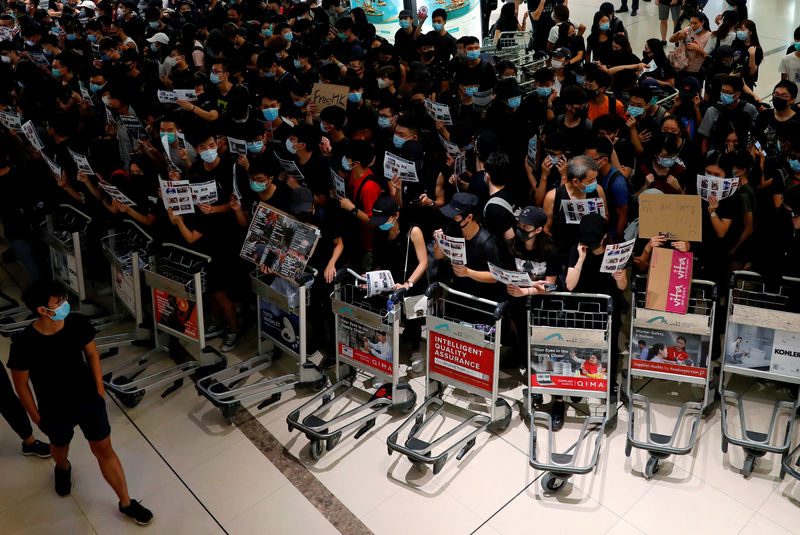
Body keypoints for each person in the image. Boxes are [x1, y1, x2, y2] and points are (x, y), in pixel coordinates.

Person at [8, 281, 153, 525]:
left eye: (64, 300)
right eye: (59, 302)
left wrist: (99, 390)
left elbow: (92, 354)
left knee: (104, 450)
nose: (65, 305)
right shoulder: (25, 343)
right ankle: (63, 468)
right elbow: (20, 384)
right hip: (54, 409)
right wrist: (36, 417)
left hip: (88, 400)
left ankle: (126, 502)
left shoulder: (77, 324)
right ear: (43, 310)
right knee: (60, 448)